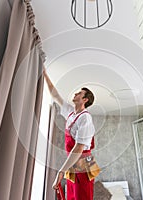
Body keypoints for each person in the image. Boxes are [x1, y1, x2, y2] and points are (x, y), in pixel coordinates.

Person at [43, 69, 96, 200]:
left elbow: (79, 148)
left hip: (84, 163)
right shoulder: (71, 113)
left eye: (79, 93)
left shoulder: (85, 118)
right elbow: (55, 94)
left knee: (82, 196)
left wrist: (61, 172)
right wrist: (43, 72)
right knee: (71, 196)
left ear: (85, 99)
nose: (76, 93)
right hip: (74, 162)